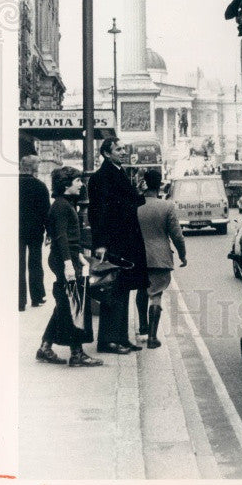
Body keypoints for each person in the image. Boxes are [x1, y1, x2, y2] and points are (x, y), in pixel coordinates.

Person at [87, 138, 149, 355]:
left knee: (123, 290)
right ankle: (107, 341)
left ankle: (121, 337)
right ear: (106, 153)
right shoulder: (101, 177)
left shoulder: (119, 172)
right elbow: (98, 213)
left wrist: (139, 193)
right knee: (111, 290)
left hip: (126, 241)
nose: (123, 152)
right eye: (119, 149)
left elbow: (132, 202)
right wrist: (100, 244)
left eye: (123, 148)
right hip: (113, 242)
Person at [36, 167, 102, 367]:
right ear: (66, 185)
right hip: (65, 259)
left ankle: (45, 348)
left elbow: (68, 236)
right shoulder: (62, 206)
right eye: (78, 181)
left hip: (70, 257)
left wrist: (79, 255)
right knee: (76, 305)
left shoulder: (63, 204)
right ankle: (77, 354)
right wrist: (68, 264)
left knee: (65, 304)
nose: (81, 184)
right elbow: (61, 237)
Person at [136, 168, 187, 349]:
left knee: (141, 291)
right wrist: (183, 255)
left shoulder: (135, 205)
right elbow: (177, 236)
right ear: (160, 185)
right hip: (160, 257)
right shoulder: (167, 206)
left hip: (138, 257)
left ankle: (142, 327)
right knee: (155, 295)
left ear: (145, 183)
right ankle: (152, 337)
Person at [19, 155, 50, 311]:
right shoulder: (40, 186)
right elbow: (46, 212)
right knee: (35, 263)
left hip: (17, 231)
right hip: (36, 231)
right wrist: (49, 232)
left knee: (18, 264)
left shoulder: (13, 185)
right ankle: (37, 297)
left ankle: (20, 300)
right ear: (34, 167)